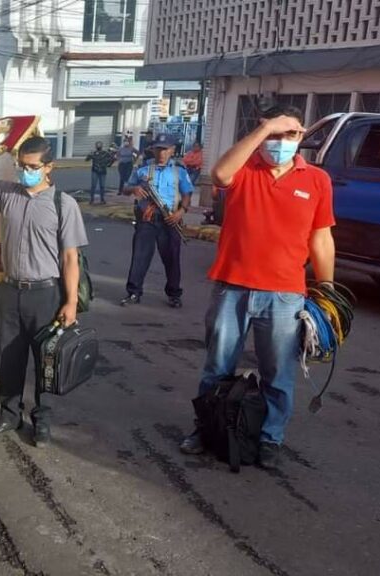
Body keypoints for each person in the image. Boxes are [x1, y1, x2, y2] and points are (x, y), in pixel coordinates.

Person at [179, 105, 335, 468]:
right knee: (217, 366)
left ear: (301, 137)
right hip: (232, 286)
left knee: (277, 373)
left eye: (291, 134)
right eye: (274, 135)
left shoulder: (316, 180)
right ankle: (207, 427)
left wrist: (327, 290)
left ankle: (269, 437)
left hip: (284, 294)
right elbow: (219, 173)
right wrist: (264, 129)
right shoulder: (245, 169)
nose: (281, 142)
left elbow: (322, 238)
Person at [0, 127, 88, 446]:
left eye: (32, 167)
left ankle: (42, 420)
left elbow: (71, 258)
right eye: (21, 166)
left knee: (46, 361)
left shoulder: (63, 204)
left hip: (46, 294)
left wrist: (70, 302)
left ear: (48, 167)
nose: (25, 172)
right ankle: (9, 414)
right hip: (11, 292)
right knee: (10, 357)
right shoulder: (5, 192)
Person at [120, 133, 194, 308]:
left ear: (172, 150)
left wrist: (181, 212)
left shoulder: (179, 171)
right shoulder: (143, 170)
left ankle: (174, 294)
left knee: (172, 258)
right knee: (140, 256)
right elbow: (125, 188)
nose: (161, 153)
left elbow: (187, 194)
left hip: (170, 218)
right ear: (153, 150)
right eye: (158, 149)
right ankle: (133, 292)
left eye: (165, 149)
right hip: (147, 218)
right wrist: (134, 189)